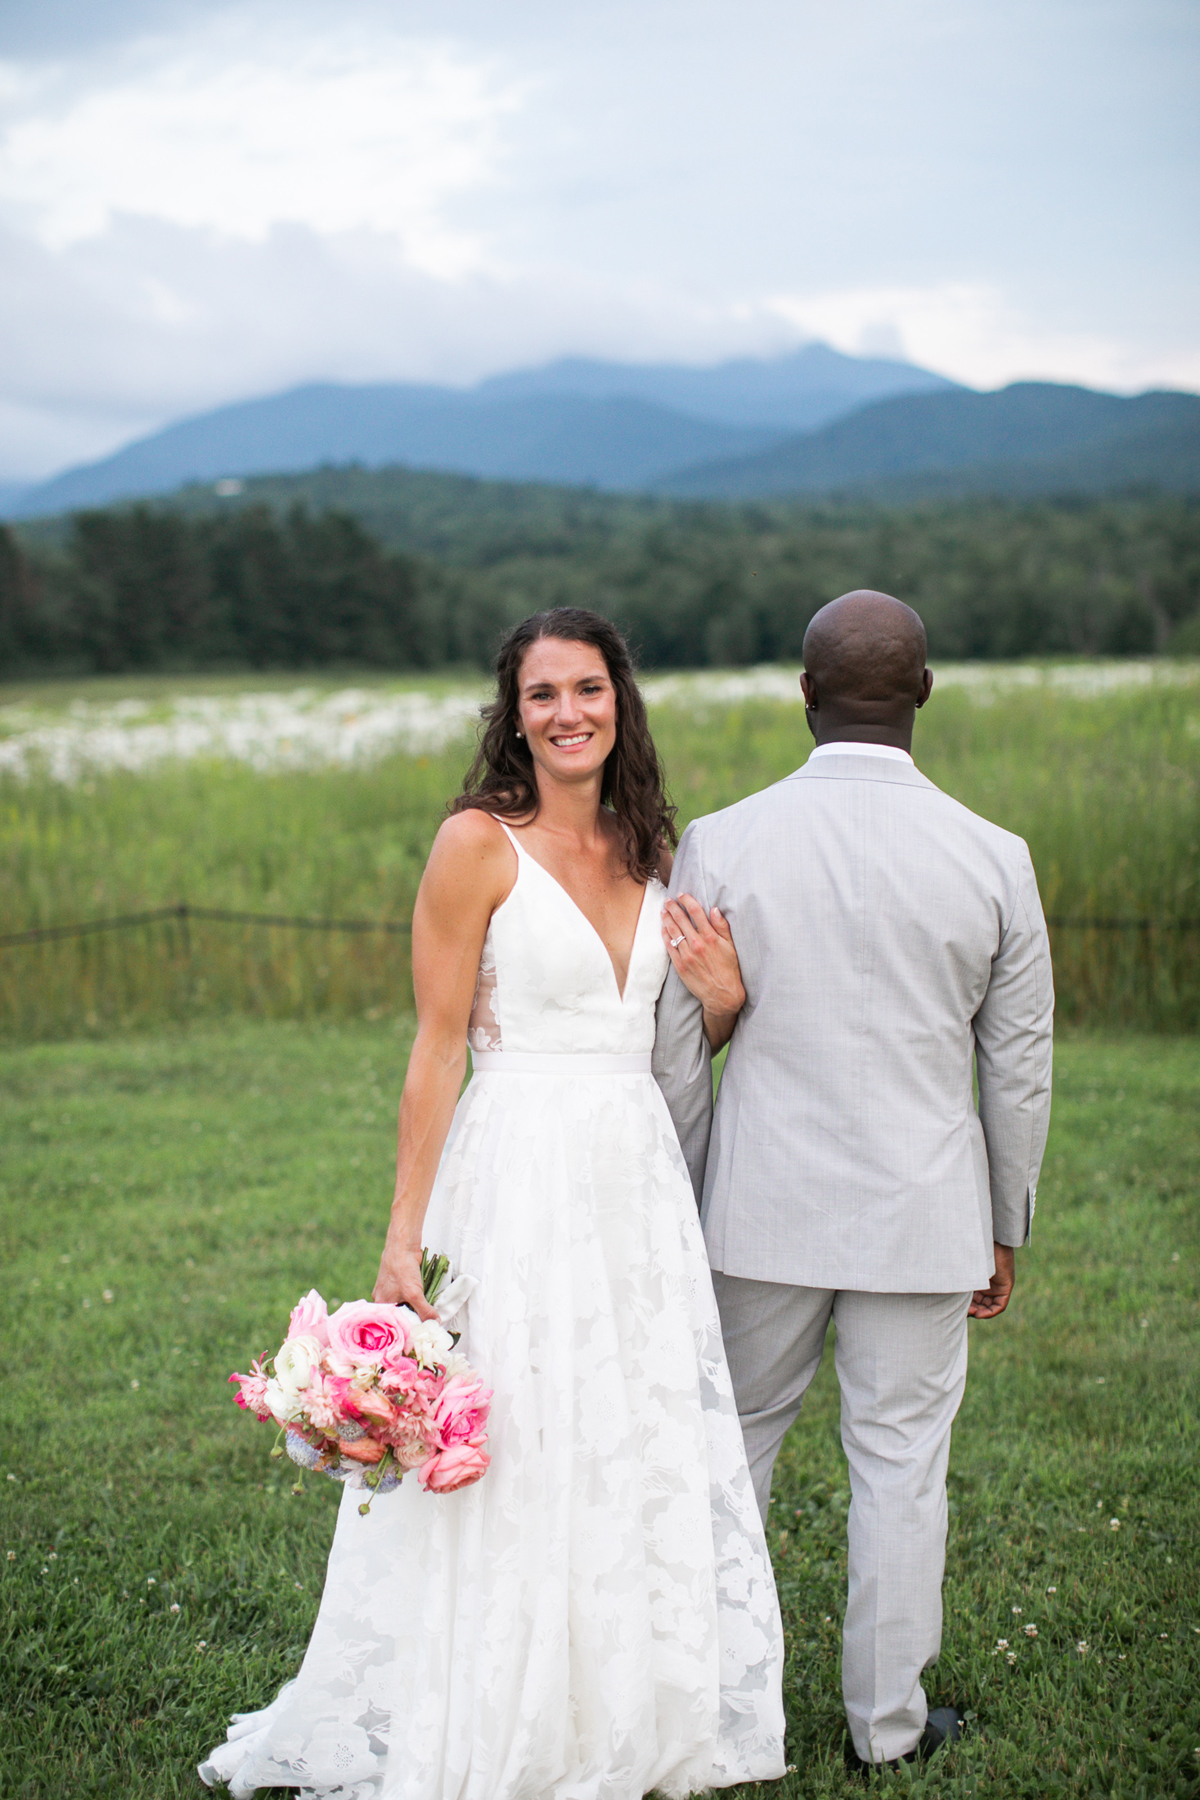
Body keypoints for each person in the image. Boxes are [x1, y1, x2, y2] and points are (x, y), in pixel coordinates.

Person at [200, 607, 787, 1800]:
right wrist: (401, 1239)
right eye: (541, 695)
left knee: (625, 1435)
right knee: (516, 1434)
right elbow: (434, 1049)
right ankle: (492, 1710)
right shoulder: (478, 844)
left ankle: (619, 1707)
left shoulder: (648, 849)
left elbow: (668, 1044)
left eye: (588, 689)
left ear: (620, 701)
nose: (568, 713)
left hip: (636, 1180)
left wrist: (724, 1008)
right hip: (518, 1162)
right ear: (512, 716)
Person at [654, 590, 1054, 1775]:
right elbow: (1018, 1064)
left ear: (804, 693)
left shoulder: (722, 841)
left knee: (733, 1457)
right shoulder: (997, 858)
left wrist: (677, 1198)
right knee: (899, 1465)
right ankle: (887, 1728)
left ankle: (720, 1713)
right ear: (924, 693)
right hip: (927, 1217)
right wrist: (1006, 1221)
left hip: (755, 1212)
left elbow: (681, 1048)